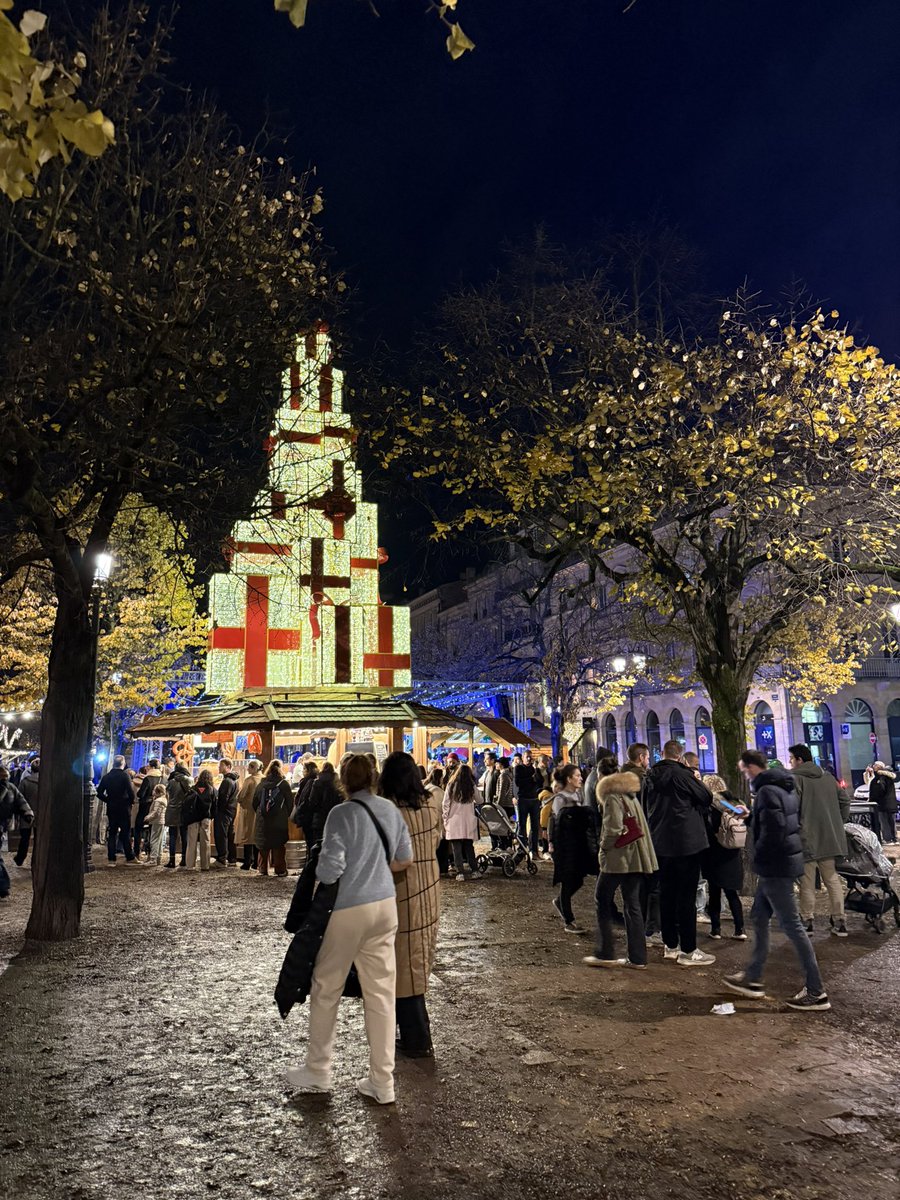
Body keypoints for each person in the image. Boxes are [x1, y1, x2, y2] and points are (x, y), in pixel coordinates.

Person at [286, 753, 413, 1105]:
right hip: (385, 906)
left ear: (344, 780)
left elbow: (328, 870)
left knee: (326, 986)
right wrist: (377, 865)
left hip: (347, 908)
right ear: (374, 777)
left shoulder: (339, 814)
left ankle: (318, 1068)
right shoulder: (390, 810)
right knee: (381, 994)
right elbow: (405, 858)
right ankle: (382, 1081)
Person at [725, 750, 830, 1011]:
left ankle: (816, 991)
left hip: (775, 867)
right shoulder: (781, 787)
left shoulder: (767, 792)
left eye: (744, 769)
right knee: (759, 918)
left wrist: (759, 854)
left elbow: (774, 832)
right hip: (781, 864)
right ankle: (753, 977)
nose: (744, 774)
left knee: (792, 925)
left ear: (752, 767)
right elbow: (778, 823)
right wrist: (750, 817)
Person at [379, 751, 442, 1058]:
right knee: (416, 960)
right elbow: (436, 841)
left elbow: (390, 858)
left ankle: (417, 1038)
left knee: (405, 965)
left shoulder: (389, 811)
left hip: (403, 893)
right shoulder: (430, 804)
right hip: (430, 888)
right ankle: (414, 1034)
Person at [643, 739, 715, 966]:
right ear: (680, 755)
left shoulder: (650, 777)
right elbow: (706, 797)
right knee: (686, 896)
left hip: (660, 843)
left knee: (666, 894)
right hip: (686, 843)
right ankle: (688, 949)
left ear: (661, 753)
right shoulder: (682, 776)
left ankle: (670, 945)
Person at [584, 768, 657, 967]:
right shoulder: (630, 795)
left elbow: (613, 829)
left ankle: (605, 952)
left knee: (602, 898)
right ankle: (637, 957)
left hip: (618, 858)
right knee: (632, 905)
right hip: (636, 858)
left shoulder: (612, 798)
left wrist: (603, 847)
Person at [788, 743, 850, 936]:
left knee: (806, 882)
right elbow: (845, 800)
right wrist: (838, 821)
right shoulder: (828, 777)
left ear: (799, 760)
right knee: (831, 879)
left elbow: (791, 808)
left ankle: (807, 920)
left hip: (806, 838)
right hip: (829, 837)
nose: (790, 762)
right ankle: (839, 920)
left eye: (791, 759)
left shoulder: (796, 779)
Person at [548, 763, 598, 934]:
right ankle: (569, 920)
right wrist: (552, 843)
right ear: (569, 779)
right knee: (568, 881)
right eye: (577, 776)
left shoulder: (577, 795)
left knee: (578, 879)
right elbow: (556, 823)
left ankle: (560, 902)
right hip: (566, 846)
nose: (581, 778)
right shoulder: (560, 799)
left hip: (578, 844)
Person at [700, 774, 748, 940]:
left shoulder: (713, 806)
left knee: (714, 893)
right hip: (733, 853)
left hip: (716, 853)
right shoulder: (735, 803)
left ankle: (716, 929)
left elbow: (709, 828)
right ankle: (740, 929)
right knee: (732, 893)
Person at [253, 760, 293, 876]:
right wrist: (285, 814)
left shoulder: (261, 784)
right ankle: (280, 870)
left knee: (263, 845)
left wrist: (262, 813)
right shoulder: (284, 784)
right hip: (279, 820)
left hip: (263, 820)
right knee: (278, 845)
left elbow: (254, 803)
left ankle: (262, 869)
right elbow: (290, 803)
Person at [442, 763, 482, 879]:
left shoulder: (451, 785)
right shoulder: (471, 786)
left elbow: (445, 803)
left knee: (456, 848)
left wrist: (445, 818)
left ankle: (460, 872)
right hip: (468, 820)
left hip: (453, 820)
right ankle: (475, 870)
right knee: (469, 847)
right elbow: (480, 800)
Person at [96, 756, 138, 865]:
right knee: (125, 832)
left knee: (112, 833)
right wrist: (131, 801)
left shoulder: (107, 777)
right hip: (124, 807)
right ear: (122, 763)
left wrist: (108, 800)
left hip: (112, 807)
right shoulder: (125, 776)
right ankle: (129, 857)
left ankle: (111, 858)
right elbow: (130, 791)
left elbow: (99, 792)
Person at [0, 767, 33, 898]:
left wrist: (27, 813)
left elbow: (21, 801)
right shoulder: (10, 788)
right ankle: (3, 885)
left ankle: (3, 885)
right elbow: (21, 801)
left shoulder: (10, 788)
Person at [293, 761, 341, 848]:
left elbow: (312, 802)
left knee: (316, 846)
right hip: (334, 819)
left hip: (319, 820)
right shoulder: (337, 783)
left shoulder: (317, 782)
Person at [184, 768, 216, 871]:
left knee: (191, 841)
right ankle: (205, 865)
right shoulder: (212, 789)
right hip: (206, 818)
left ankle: (190, 865)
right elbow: (215, 805)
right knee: (205, 841)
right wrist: (212, 816)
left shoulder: (193, 788)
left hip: (193, 818)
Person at [234, 759, 262, 869]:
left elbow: (240, 797)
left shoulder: (249, 780)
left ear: (253, 768)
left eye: (249, 767)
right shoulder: (263, 779)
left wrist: (241, 801)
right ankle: (256, 862)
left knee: (247, 836)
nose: (247, 769)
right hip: (260, 811)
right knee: (256, 836)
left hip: (248, 810)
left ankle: (247, 862)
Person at [514, 750, 543, 855]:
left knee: (535, 826)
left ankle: (533, 849)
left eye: (530, 757)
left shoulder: (534, 769)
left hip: (534, 800)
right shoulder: (519, 768)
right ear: (523, 757)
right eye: (527, 757)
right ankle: (522, 848)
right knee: (522, 825)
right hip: (523, 799)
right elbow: (518, 782)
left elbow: (540, 782)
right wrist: (530, 779)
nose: (529, 759)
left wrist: (536, 771)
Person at [164, 762, 192, 868]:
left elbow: (168, 795)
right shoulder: (189, 780)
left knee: (172, 836)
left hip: (172, 810)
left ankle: (172, 860)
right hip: (184, 811)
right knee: (184, 835)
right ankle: (184, 859)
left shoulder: (171, 781)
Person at [211, 759, 239, 866]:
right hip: (231, 811)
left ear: (228, 766)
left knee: (221, 835)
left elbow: (223, 798)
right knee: (230, 835)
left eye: (221, 765)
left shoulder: (227, 781)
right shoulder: (234, 780)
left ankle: (221, 858)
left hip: (224, 812)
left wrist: (218, 810)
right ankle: (232, 858)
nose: (219, 767)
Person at [13, 757, 39, 866]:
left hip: (27, 814)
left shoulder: (25, 782)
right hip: (41, 814)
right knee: (39, 839)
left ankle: (20, 858)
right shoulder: (45, 782)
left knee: (25, 838)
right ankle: (36, 859)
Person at [134, 758, 162, 859]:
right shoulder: (163, 778)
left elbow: (141, 794)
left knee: (138, 829)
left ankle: (137, 853)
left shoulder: (147, 779)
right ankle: (152, 854)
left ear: (152, 767)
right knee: (153, 831)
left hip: (145, 806)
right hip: (158, 806)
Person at [867, 761, 897, 845]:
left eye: (875, 765)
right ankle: (891, 838)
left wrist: (873, 798)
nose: (873, 766)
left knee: (886, 822)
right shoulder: (880, 777)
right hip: (885, 803)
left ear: (879, 767)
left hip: (884, 803)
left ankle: (889, 839)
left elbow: (880, 790)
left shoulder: (882, 778)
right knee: (888, 821)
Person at [290, 760, 320, 828]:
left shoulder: (309, 782)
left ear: (309, 770)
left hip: (307, 815)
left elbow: (305, 799)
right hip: (309, 815)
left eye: (304, 768)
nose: (302, 771)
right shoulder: (311, 781)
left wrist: (300, 811)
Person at [144, 784, 168, 866]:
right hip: (162, 821)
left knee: (154, 840)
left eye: (154, 790)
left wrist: (148, 818)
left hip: (157, 822)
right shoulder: (164, 800)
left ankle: (153, 859)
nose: (152, 791)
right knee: (160, 840)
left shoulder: (158, 801)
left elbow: (155, 813)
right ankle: (158, 858)